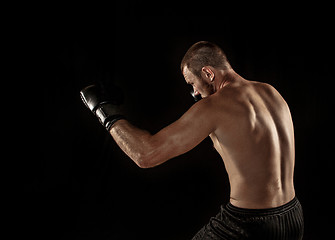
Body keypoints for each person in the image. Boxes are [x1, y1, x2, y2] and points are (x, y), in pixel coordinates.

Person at [80, 41, 304, 239]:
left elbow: (145, 155)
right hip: (292, 217)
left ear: (208, 73)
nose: (194, 93)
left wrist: (105, 112)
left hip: (248, 225)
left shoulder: (214, 106)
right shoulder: (270, 91)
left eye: (192, 83)